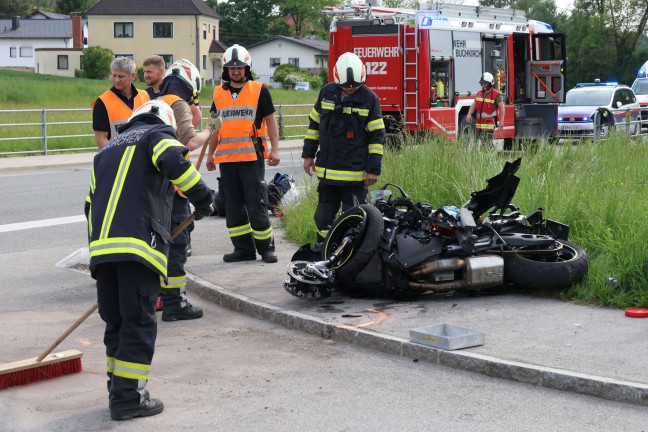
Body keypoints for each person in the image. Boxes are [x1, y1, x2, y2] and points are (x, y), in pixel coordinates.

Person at [85, 99, 214, 421]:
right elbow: (175, 160)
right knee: (138, 322)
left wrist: (99, 253)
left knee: (116, 322)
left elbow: (89, 205)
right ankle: (130, 399)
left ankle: (119, 390)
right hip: (139, 249)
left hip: (102, 250)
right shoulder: (156, 135)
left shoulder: (105, 152)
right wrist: (204, 198)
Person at [154, 59, 221, 321]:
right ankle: (174, 304)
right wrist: (210, 129)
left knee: (156, 244)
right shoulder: (177, 103)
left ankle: (154, 297)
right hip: (172, 190)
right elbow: (190, 141)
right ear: (190, 86)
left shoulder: (151, 102)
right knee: (177, 245)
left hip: (151, 190)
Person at [206, 44, 280, 264]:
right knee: (233, 208)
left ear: (247, 68)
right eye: (232, 68)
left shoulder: (259, 90)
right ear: (226, 70)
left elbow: (270, 121)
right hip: (227, 162)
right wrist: (210, 155)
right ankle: (243, 250)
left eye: (240, 68)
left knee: (256, 205)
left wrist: (275, 149)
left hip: (251, 159)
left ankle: (266, 249)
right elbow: (214, 126)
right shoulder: (218, 93)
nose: (236, 71)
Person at [302, 52, 386, 246]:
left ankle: (349, 256)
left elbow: (377, 137)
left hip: (354, 177)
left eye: (355, 86)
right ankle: (324, 250)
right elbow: (314, 125)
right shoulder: (326, 93)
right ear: (336, 78)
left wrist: (373, 170)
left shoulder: (370, 99)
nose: (350, 90)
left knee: (355, 220)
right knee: (322, 218)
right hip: (328, 173)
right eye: (346, 87)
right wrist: (308, 155)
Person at [92, 57, 149, 149]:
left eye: (121, 76)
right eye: (114, 76)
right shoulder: (102, 102)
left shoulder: (145, 96)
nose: (116, 80)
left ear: (133, 76)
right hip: (116, 158)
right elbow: (100, 139)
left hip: (142, 156)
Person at [465, 72, 505, 139]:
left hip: (489, 125)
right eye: (482, 83)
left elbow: (502, 108)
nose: (483, 85)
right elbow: (474, 105)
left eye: (485, 83)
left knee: (487, 143)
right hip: (479, 125)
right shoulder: (479, 93)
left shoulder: (496, 95)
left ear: (490, 83)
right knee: (482, 144)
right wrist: (469, 114)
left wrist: (501, 121)